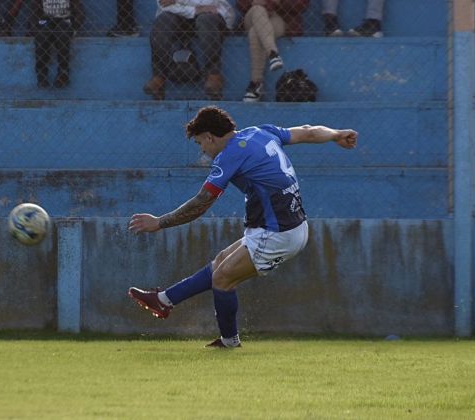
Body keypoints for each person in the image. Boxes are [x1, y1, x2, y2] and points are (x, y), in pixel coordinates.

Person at [127, 106, 357, 348]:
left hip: (277, 233)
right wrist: (336, 134)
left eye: (199, 143)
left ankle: (229, 342)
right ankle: (164, 300)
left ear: (209, 137)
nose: (203, 150)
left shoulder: (229, 155)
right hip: (288, 226)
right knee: (221, 262)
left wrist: (159, 222)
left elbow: (202, 202)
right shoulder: (260, 132)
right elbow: (308, 132)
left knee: (223, 279)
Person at [143, 0, 236, 101]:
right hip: (178, 14)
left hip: (212, 15)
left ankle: (213, 75)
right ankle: (159, 77)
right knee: (163, 22)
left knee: (206, 20)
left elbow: (209, 3)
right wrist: (194, 8)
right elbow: (164, 4)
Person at [237, 0, 310, 102]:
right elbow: (241, 4)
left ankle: (255, 84)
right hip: (253, 15)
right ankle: (273, 53)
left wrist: (273, 3)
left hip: (280, 18)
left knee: (255, 33)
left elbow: (300, 4)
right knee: (258, 10)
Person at [30, 0, 82, 89]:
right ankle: (41, 73)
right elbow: (33, 11)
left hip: (65, 20)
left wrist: (75, 27)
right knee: (42, 35)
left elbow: (80, 12)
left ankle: (63, 71)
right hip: (46, 20)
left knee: (62, 33)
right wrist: (34, 27)